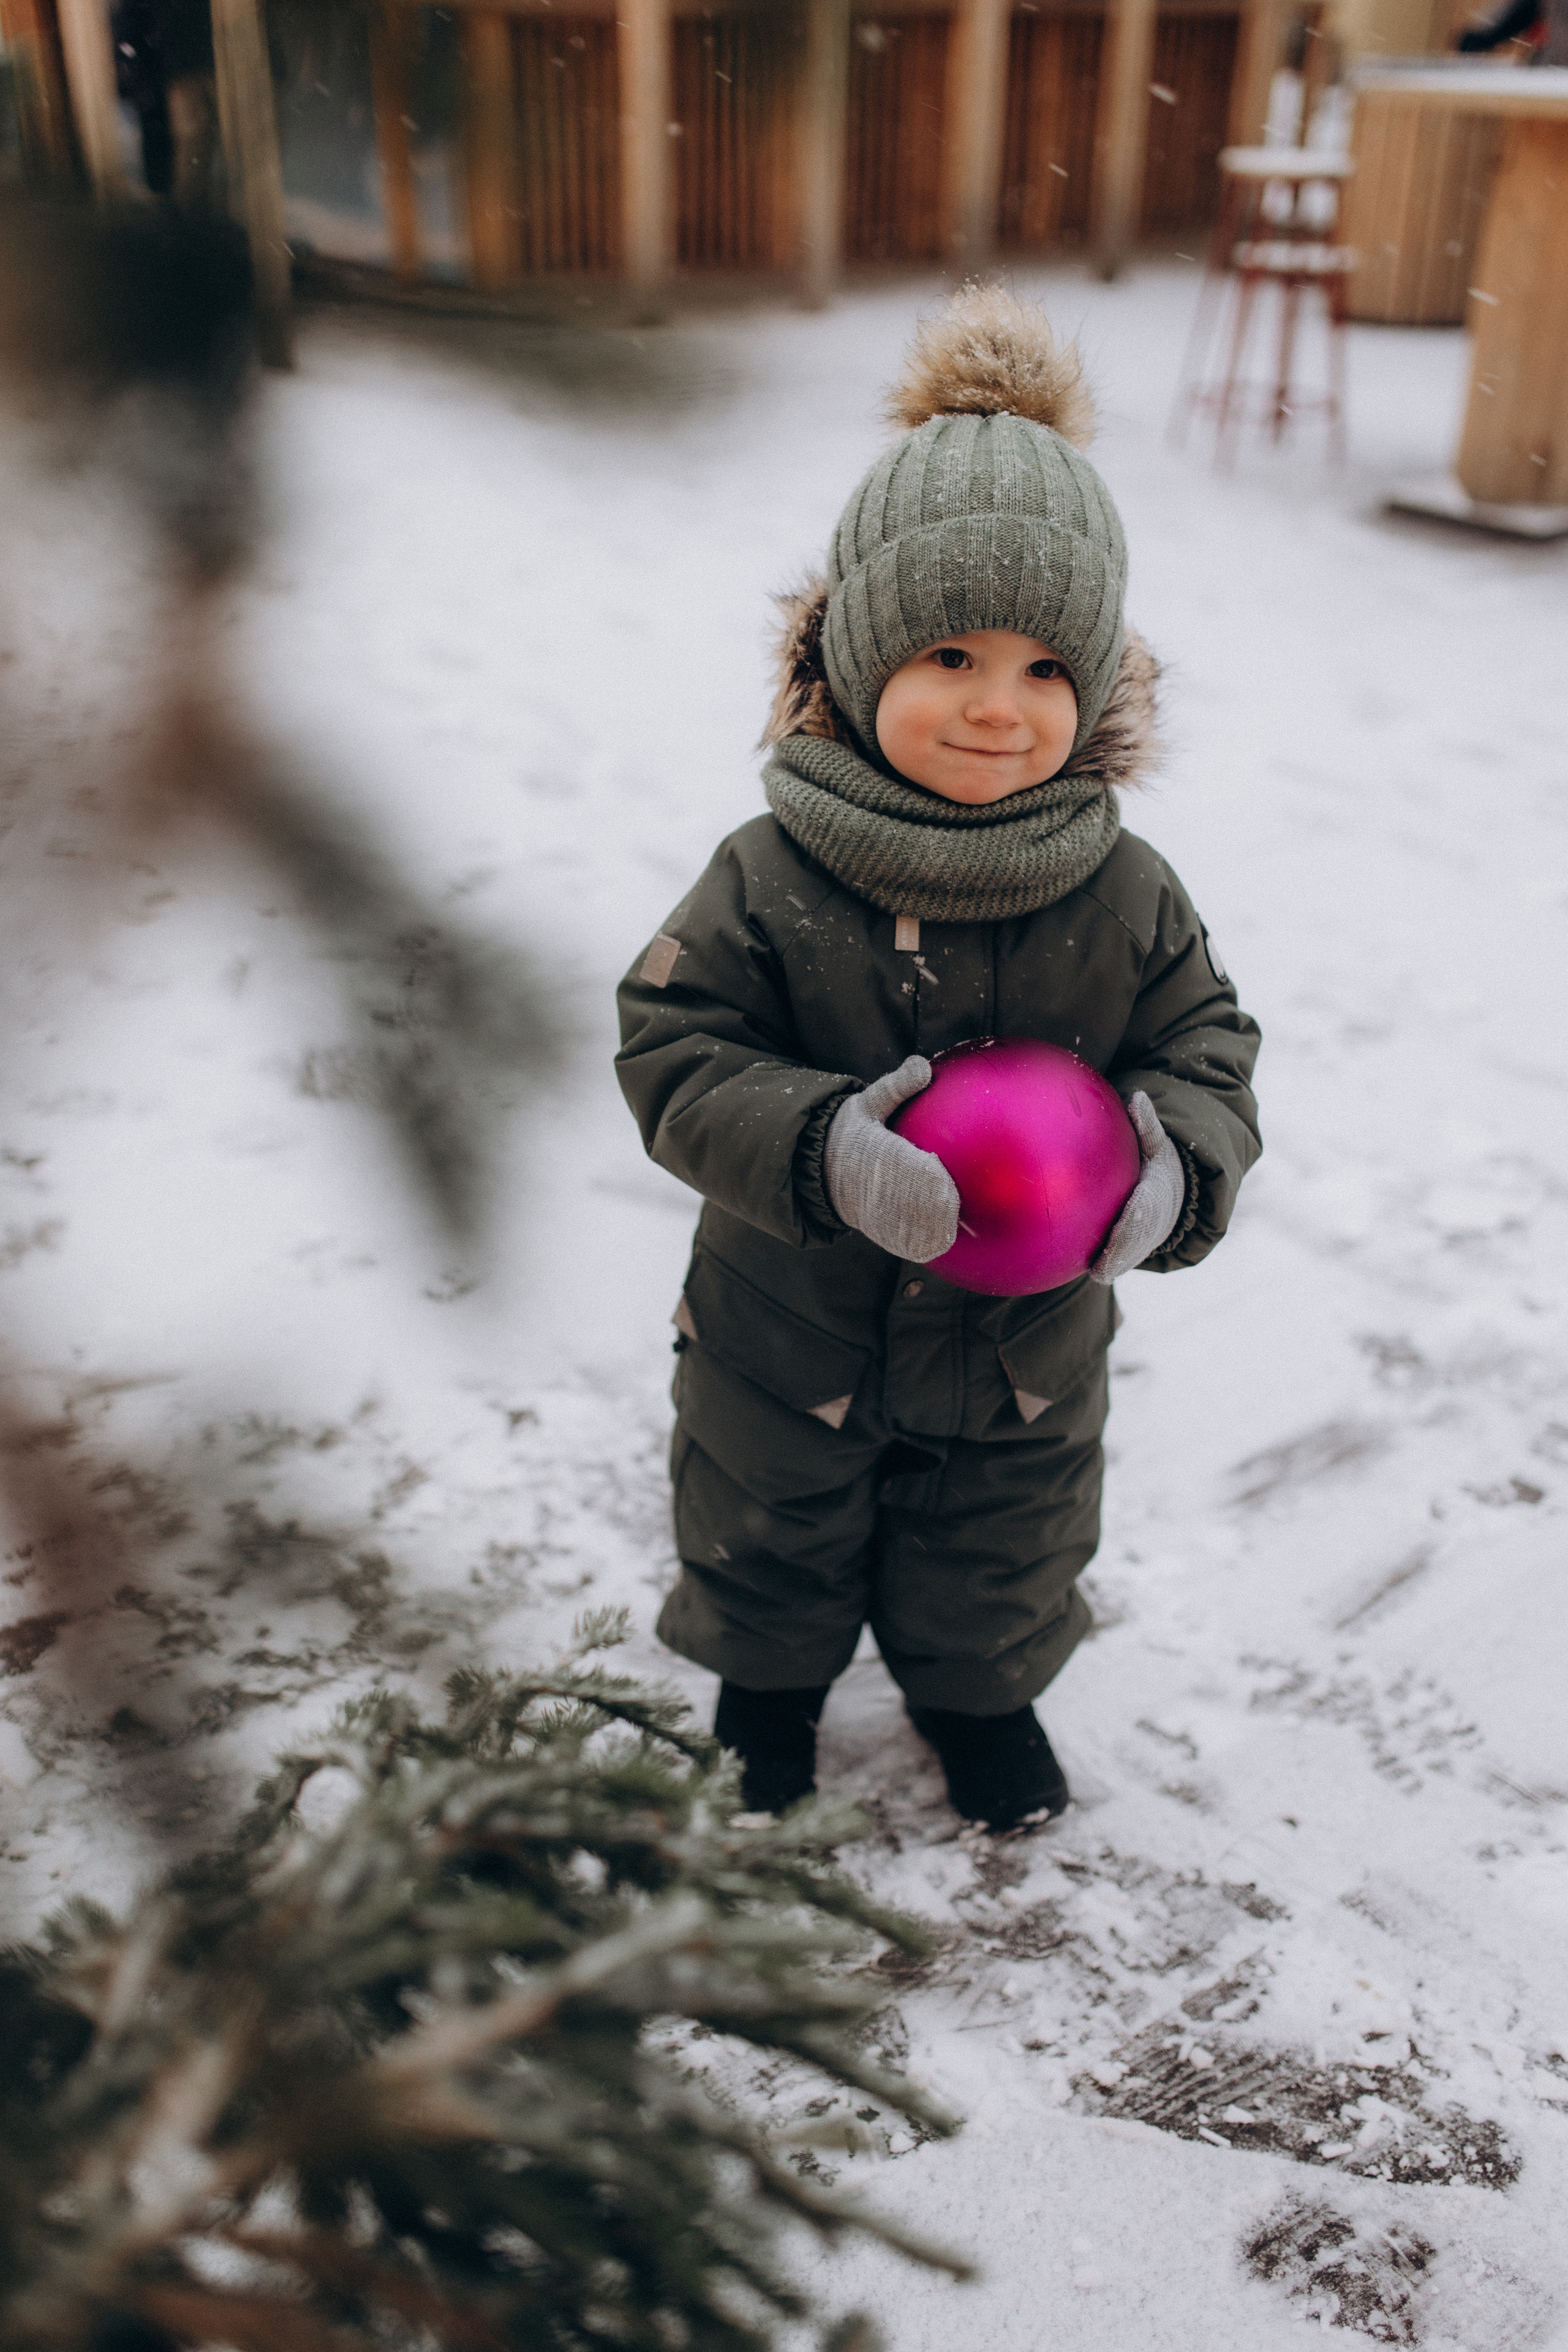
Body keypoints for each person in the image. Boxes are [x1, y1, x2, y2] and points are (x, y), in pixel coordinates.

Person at [615, 288, 1262, 1833]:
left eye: (1045, 668)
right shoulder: (768, 876)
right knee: (767, 1514)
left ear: (1096, 687)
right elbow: (675, 1043)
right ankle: (765, 1693)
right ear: (852, 657)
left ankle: (978, 1696)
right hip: (791, 1325)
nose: (995, 706)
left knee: (1000, 1537)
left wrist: (1175, 1163)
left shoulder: (1123, 888)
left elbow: (1203, 1041)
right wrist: (817, 1146)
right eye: (950, 652)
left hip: (1022, 1345)